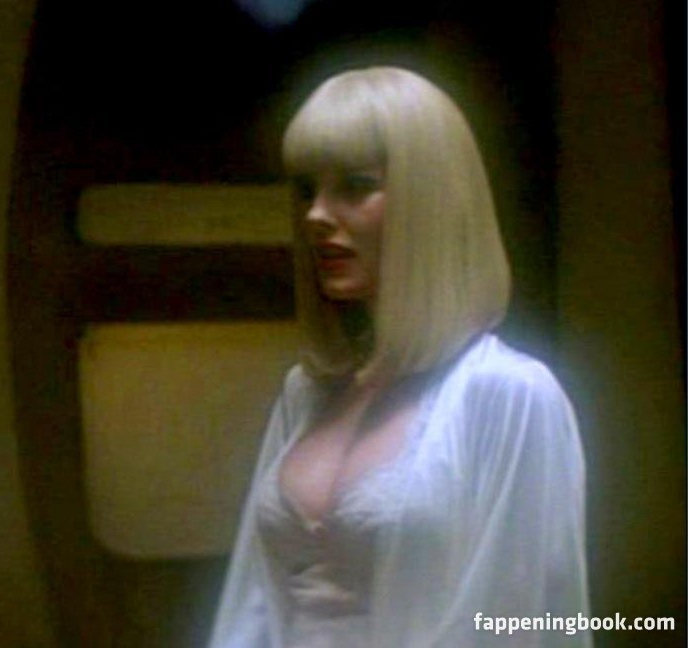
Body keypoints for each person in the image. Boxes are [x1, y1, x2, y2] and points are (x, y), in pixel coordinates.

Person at [208, 67, 590, 647]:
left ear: (429, 201)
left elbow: (522, 618)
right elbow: (252, 607)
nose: (316, 215)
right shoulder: (307, 393)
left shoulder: (509, 395)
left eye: (355, 186)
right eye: (307, 190)